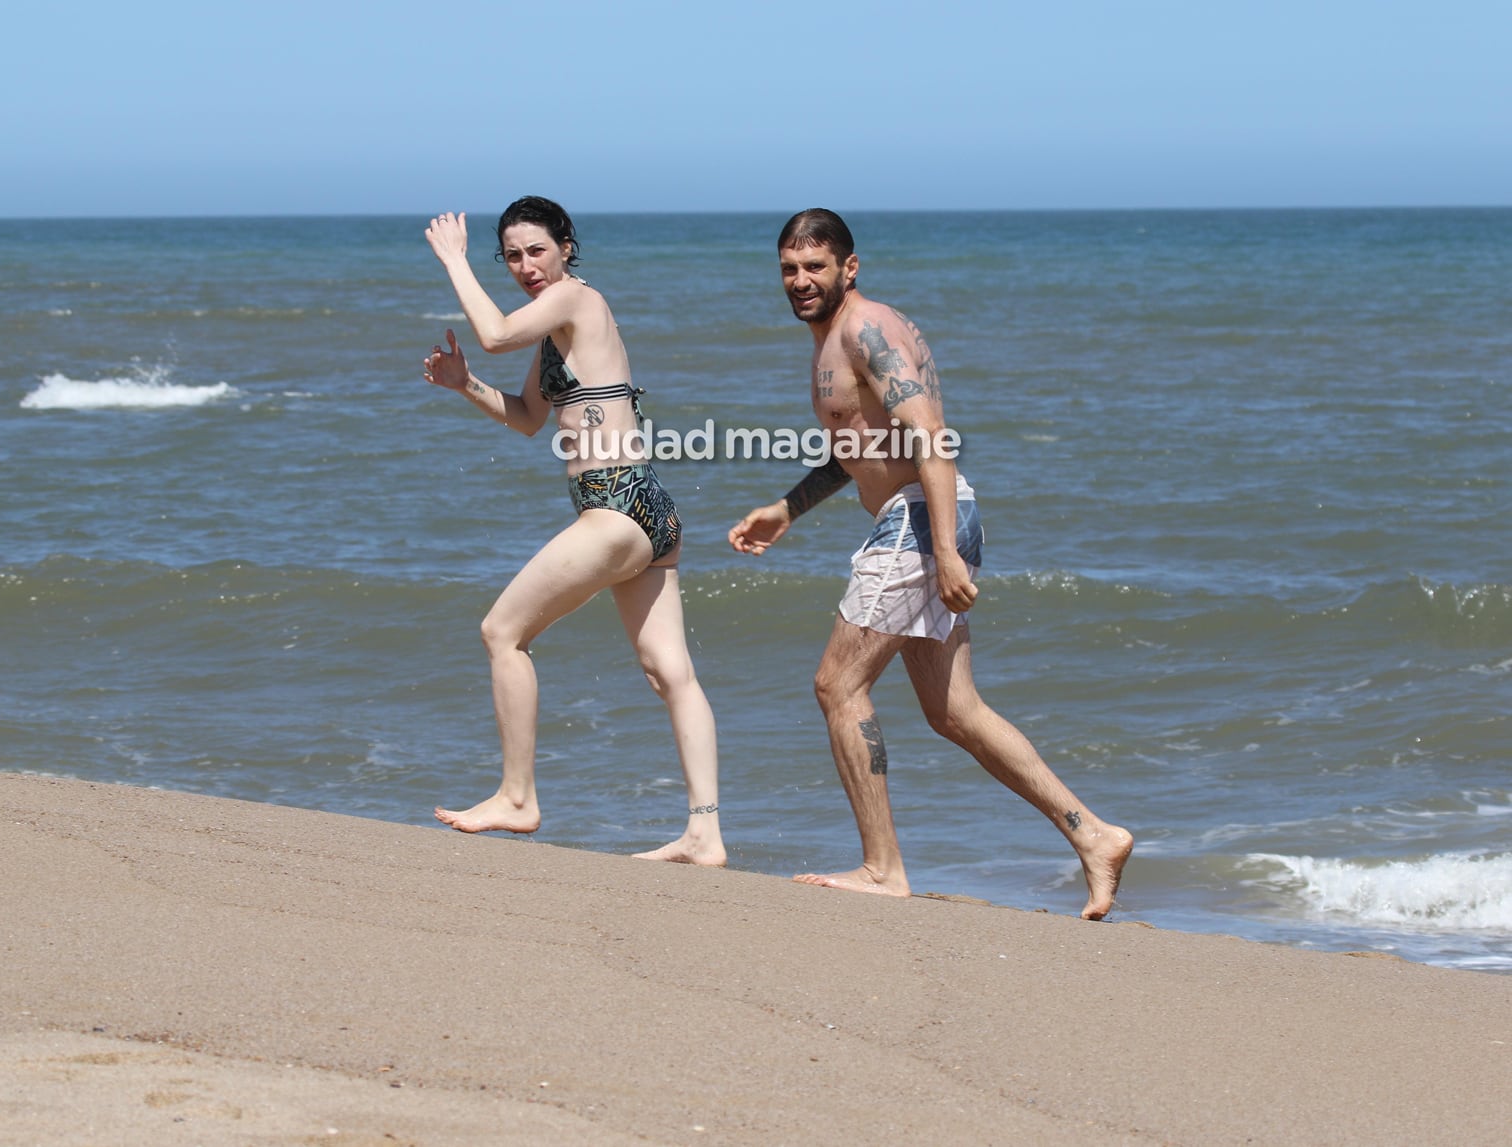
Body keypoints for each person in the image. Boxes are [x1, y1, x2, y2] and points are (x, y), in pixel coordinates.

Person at [727, 208, 1130, 917]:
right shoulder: (836, 338)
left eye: (815, 267)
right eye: (790, 268)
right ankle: (1094, 834)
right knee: (956, 711)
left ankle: (883, 867)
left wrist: (942, 548)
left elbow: (930, 436)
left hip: (919, 519)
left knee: (837, 685)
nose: (800, 281)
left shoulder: (863, 329)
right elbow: (861, 446)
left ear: (849, 268)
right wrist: (787, 509)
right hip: (923, 515)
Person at [421, 196, 725, 866]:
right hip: (647, 506)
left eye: (536, 250)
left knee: (502, 633)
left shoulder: (576, 299)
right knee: (668, 671)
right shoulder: (560, 330)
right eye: (511, 256)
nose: (525, 265)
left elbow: (498, 332)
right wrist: (464, 383)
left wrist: (452, 260)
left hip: (615, 503)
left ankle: (518, 795)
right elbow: (530, 416)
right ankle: (705, 831)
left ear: (565, 246)